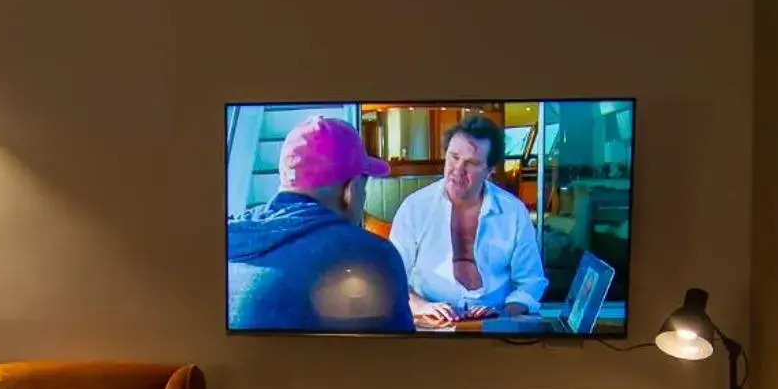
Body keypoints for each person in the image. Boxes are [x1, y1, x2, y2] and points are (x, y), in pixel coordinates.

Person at [227, 116, 414, 334]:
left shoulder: (228, 241)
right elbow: (403, 361)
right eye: (364, 185)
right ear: (351, 190)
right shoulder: (375, 256)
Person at [387, 114, 548, 328]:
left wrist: (503, 313)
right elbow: (391, 279)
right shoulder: (414, 208)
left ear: (490, 171)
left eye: (471, 163)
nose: (458, 170)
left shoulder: (513, 212)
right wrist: (422, 306)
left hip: (495, 328)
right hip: (429, 327)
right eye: (454, 157)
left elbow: (531, 282)